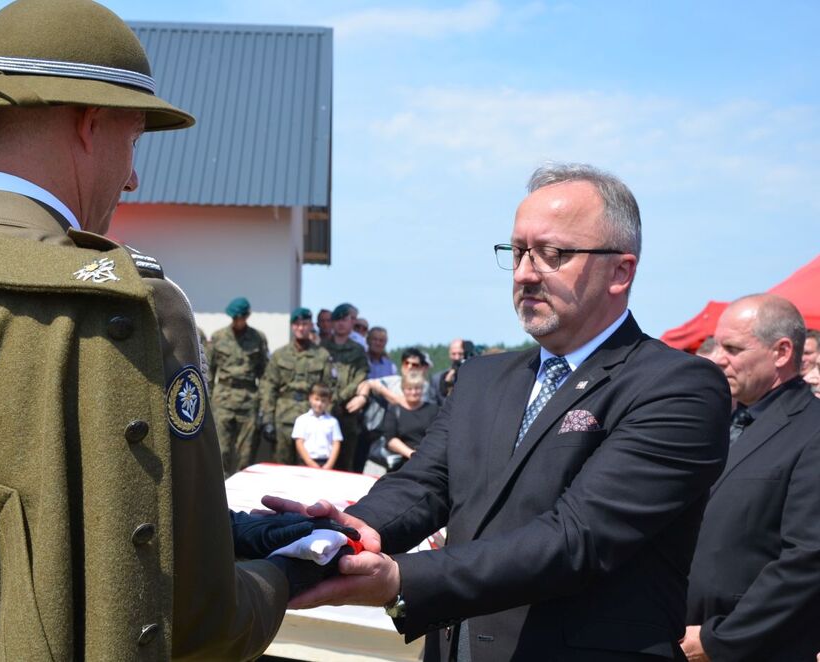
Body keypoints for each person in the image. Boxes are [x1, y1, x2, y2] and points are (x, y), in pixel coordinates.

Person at [0, 2, 335, 659]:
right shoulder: (130, 314)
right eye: (133, 142)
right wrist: (294, 570)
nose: (133, 175)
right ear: (92, 124)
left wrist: (246, 531)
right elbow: (201, 620)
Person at [266, 162, 730, 661]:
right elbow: (424, 484)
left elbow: (578, 539)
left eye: (553, 253)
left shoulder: (677, 387)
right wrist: (348, 532)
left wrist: (401, 579)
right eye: (518, 251)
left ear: (621, 271)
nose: (526, 272)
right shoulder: (484, 379)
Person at [682, 294, 820, 662]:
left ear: (781, 352)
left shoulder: (812, 430)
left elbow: (808, 558)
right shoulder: (723, 422)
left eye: (733, 348)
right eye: (716, 345)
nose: (716, 359)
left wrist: (721, 640)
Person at [259, 307, 334, 465]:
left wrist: (327, 421)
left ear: (310, 326)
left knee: (308, 468)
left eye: (305, 324)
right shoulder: (279, 355)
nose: (301, 328)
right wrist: (267, 420)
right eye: (297, 324)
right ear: (292, 326)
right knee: (282, 466)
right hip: (283, 418)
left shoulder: (322, 355)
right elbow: (268, 387)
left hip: (313, 420)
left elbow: (329, 389)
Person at [208, 296, 269, 476]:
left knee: (246, 453)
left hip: (248, 399)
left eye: (240, 318)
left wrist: (263, 404)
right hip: (223, 399)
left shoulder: (258, 338)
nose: (236, 321)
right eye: (233, 317)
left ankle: (242, 493)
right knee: (221, 450)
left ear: (247, 316)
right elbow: (209, 371)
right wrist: (208, 400)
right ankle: (220, 492)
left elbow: (265, 373)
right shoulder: (218, 337)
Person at [323, 303, 370, 471]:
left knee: (345, 461)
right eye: (337, 320)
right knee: (322, 458)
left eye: (344, 320)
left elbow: (361, 375)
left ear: (351, 323)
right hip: (324, 410)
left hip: (347, 411)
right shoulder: (322, 348)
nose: (340, 324)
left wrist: (343, 394)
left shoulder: (357, 350)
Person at [380, 370, 438, 467]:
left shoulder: (434, 410)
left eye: (417, 388)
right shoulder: (394, 410)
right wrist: (412, 454)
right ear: (403, 389)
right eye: (409, 389)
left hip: (430, 461)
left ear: (422, 389)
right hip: (403, 463)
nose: (413, 392)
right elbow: (390, 440)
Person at [291, 384, 343, 470]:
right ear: (310, 398)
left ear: (329, 402)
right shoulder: (302, 420)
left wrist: (329, 464)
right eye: (316, 399)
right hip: (305, 462)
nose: (319, 404)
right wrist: (310, 463)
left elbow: (336, 444)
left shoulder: (333, 422)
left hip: (325, 463)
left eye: (323, 401)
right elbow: (299, 443)